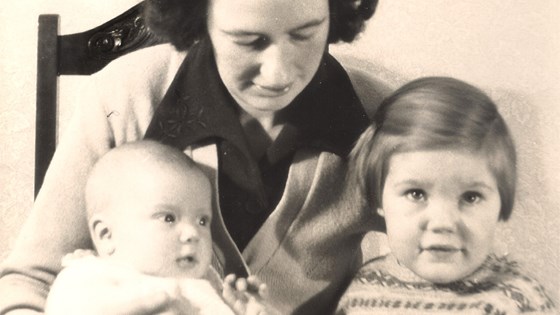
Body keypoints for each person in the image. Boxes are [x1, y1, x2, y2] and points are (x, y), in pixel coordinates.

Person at [0, 0, 387, 314]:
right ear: (199, 19)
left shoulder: (385, 117)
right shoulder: (123, 96)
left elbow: (440, 268)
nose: (278, 73)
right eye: (248, 40)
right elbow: (30, 283)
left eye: (305, 34)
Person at [335, 77, 557, 314]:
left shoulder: (515, 299)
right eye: (416, 194)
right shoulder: (364, 290)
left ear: (501, 201)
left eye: (470, 197)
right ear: (378, 197)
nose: (443, 222)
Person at [44, 141, 267, 315]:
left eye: (202, 221)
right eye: (168, 218)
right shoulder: (89, 279)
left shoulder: (210, 286)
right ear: (106, 235)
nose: (193, 234)